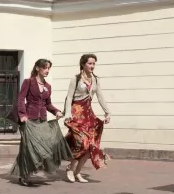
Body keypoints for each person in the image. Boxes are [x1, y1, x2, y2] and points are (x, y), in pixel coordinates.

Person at [10, 59, 72, 186]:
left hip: (42, 120)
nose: (47, 70)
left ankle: (32, 170)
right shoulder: (28, 82)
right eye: (45, 68)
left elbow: (48, 104)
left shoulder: (48, 86)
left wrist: (56, 112)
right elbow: (21, 99)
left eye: (49, 68)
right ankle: (24, 176)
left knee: (45, 146)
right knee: (28, 148)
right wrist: (22, 115)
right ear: (38, 68)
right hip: (29, 120)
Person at [63, 54, 111, 183]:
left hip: (88, 114)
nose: (92, 66)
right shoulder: (76, 78)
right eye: (90, 63)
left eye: (94, 64)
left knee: (90, 145)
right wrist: (67, 114)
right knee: (82, 142)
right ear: (83, 64)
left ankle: (78, 172)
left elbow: (100, 96)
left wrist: (107, 112)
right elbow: (69, 97)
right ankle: (70, 168)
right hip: (77, 113)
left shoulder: (95, 79)